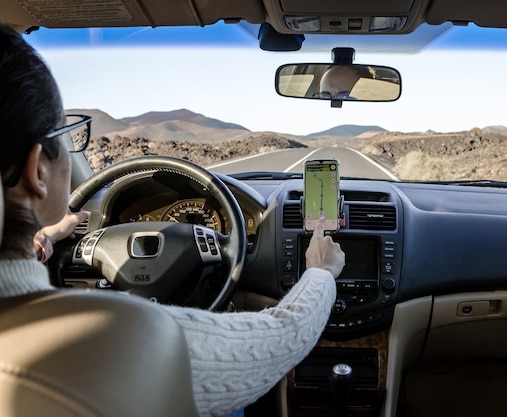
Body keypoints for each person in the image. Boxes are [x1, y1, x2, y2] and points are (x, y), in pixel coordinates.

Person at [0, 24, 345, 417]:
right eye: (66, 135)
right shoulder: (121, 336)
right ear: (37, 173)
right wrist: (321, 272)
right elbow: (283, 336)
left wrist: (40, 240)